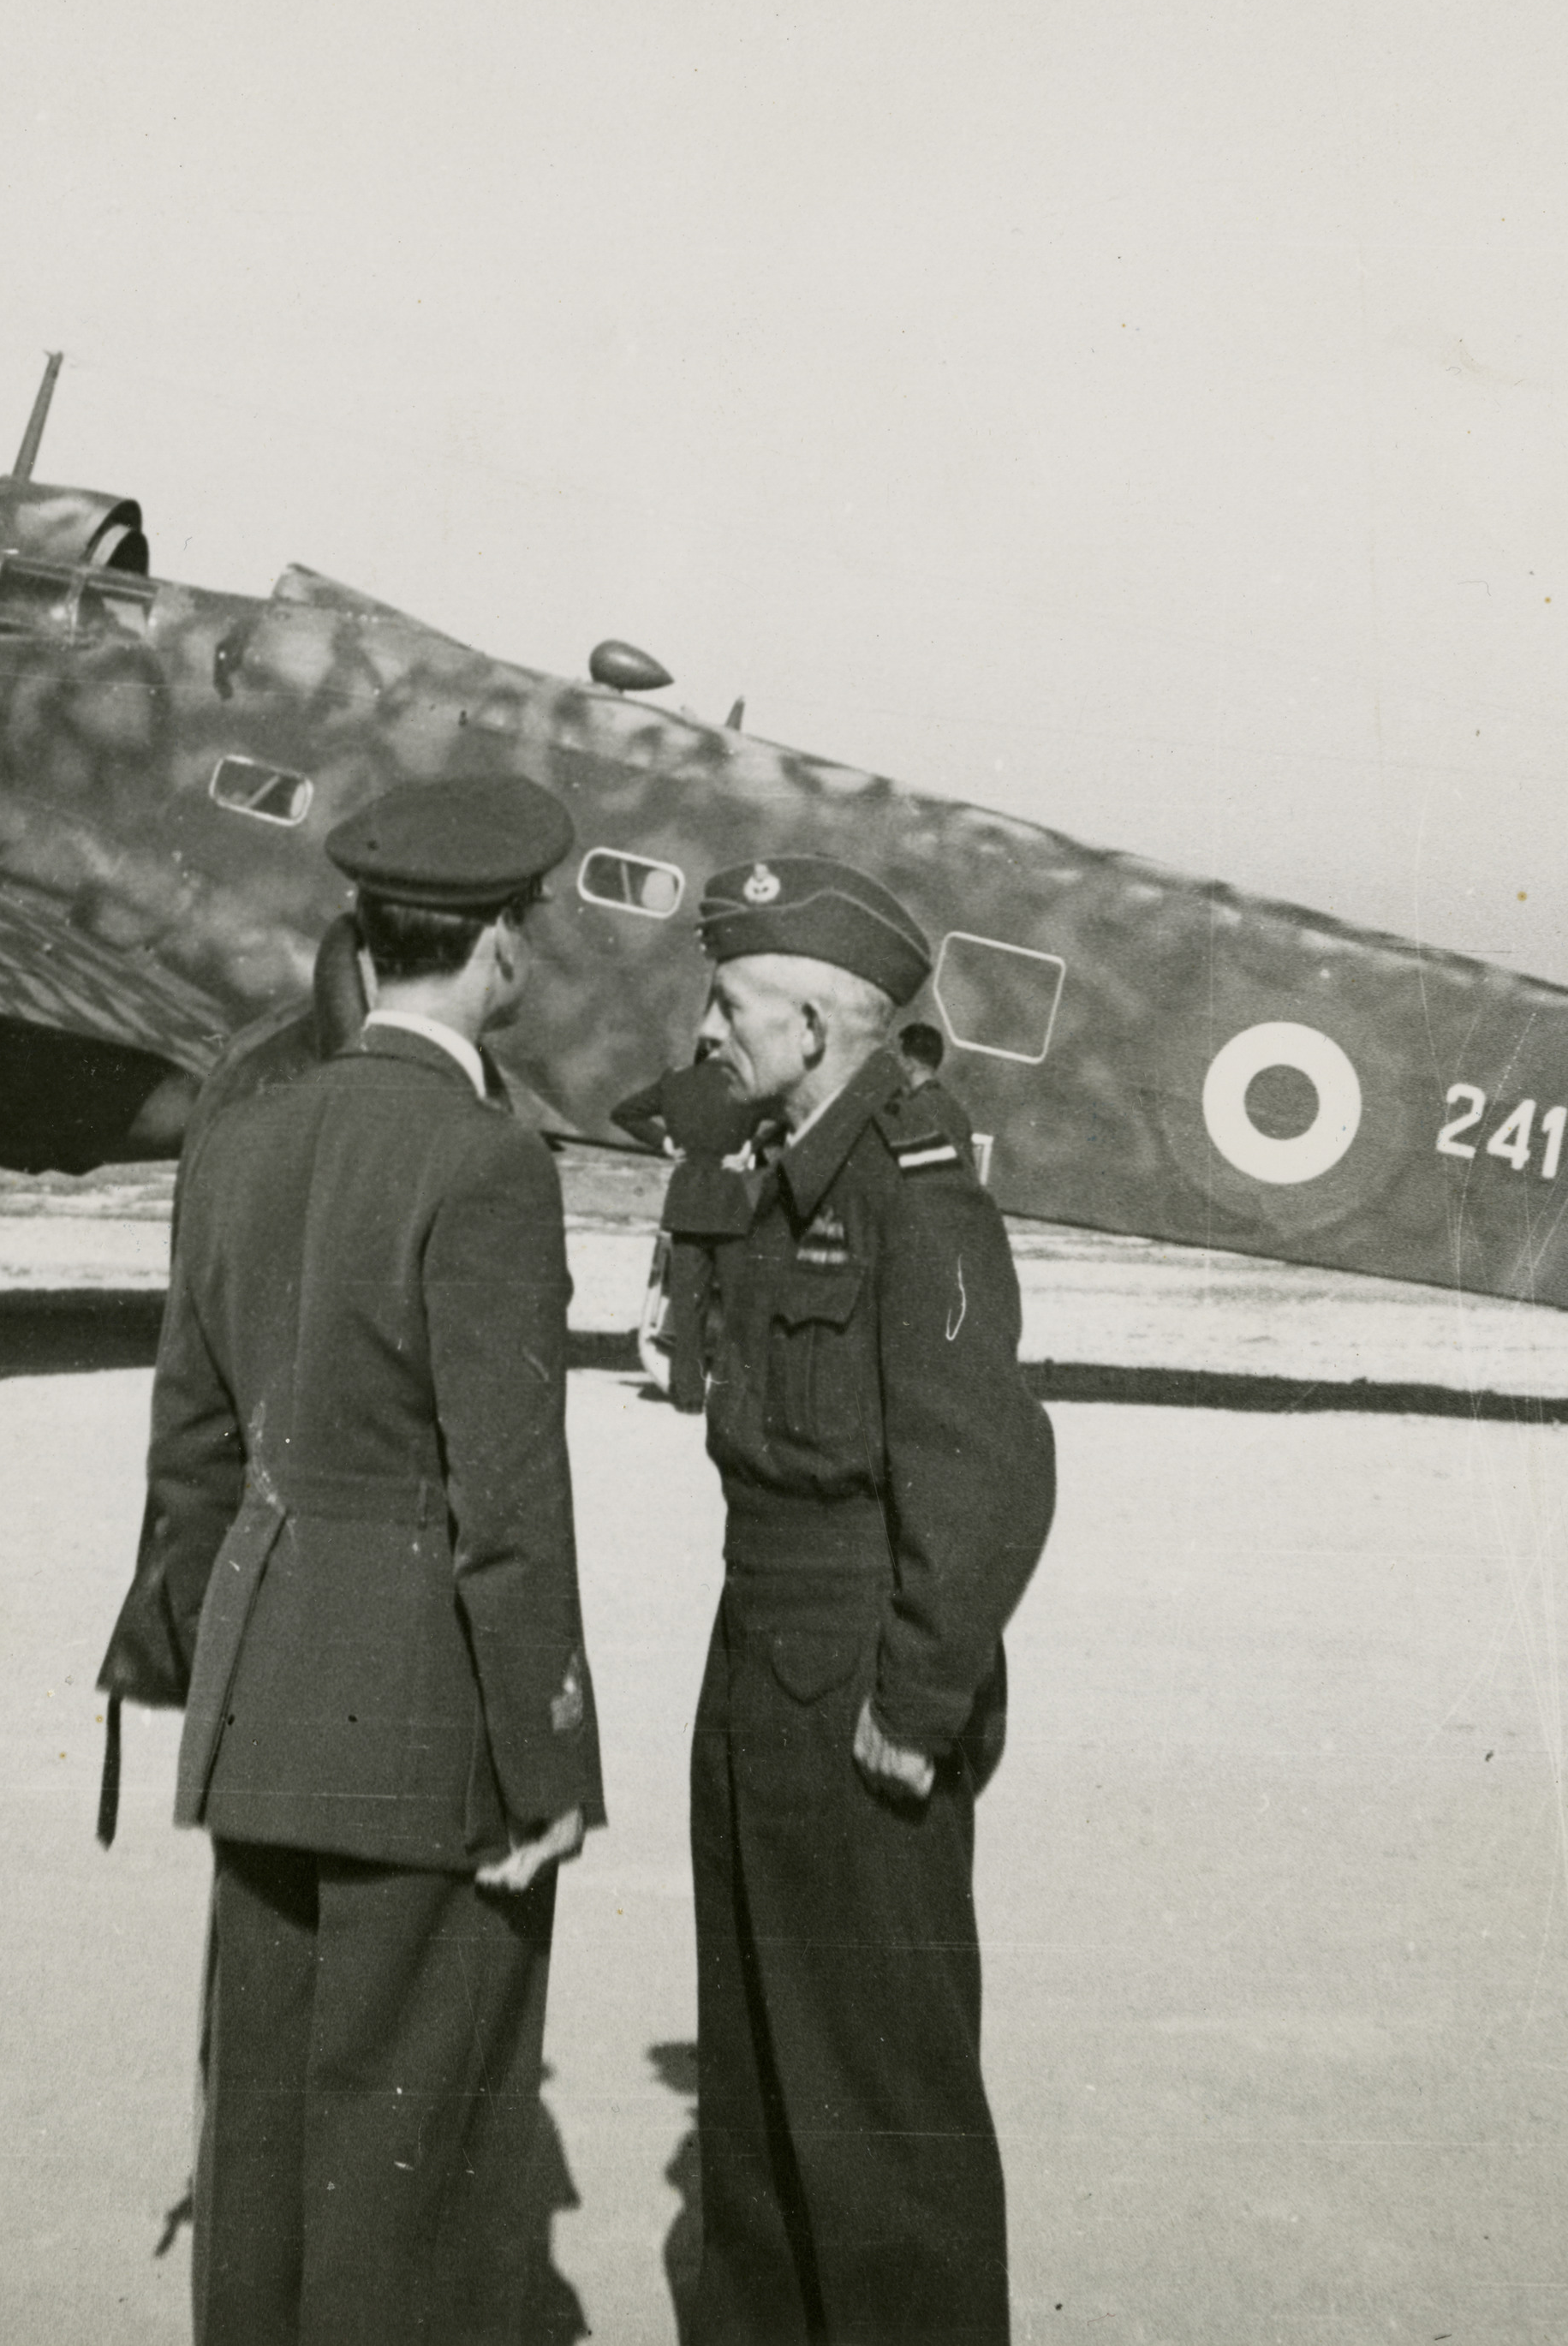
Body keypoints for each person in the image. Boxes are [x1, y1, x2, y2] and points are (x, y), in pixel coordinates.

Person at [97, 772, 607, 2345]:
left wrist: (183, 1657)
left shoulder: (241, 1137)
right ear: (504, 949)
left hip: (261, 1698)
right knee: (421, 2156)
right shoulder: (487, 1163)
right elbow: (509, 1500)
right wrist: (551, 1764)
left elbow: (191, 1440)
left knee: (263, 2129)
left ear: (366, 937)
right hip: (423, 1726)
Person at [671, 853, 1058, 2345]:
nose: (707, 1034)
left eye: (732, 1005)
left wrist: (915, 1703)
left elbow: (989, 1473)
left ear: (820, 1029)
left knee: (882, 2114)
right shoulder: (781, 1165)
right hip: (757, 1660)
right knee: (763, 2089)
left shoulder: (915, 1190)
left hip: (852, 1685)